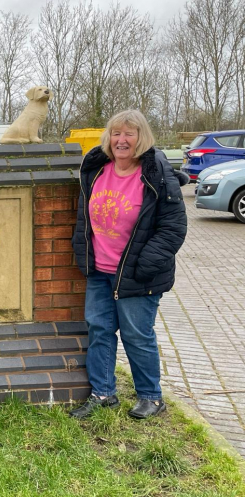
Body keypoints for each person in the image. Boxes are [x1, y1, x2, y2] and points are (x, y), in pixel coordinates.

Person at [70, 109, 187, 420]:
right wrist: (83, 254)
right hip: (100, 271)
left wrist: (144, 264)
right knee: (100, 331)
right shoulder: (96, 169)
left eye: (129, 134)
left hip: (138, 274)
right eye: (116, 133)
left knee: (137, 335)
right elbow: (84, 216)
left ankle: (151, 397)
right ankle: (103, 393)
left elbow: (173, 228)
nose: (121, 140)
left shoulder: (156, 174)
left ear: (142, 138)